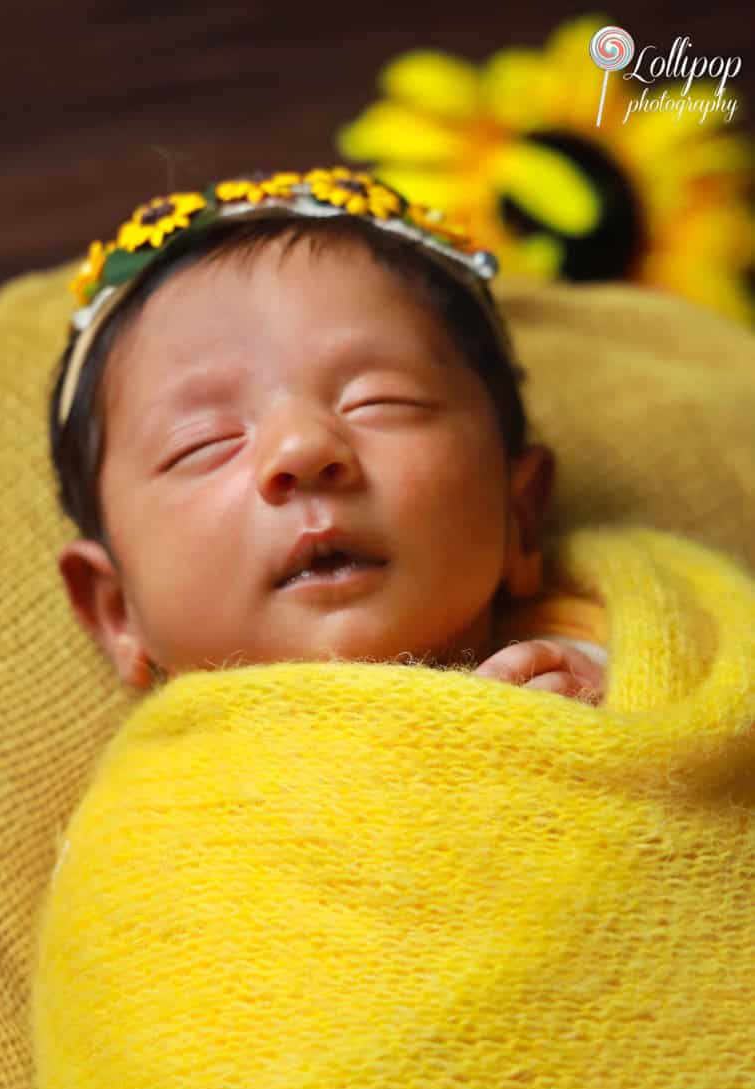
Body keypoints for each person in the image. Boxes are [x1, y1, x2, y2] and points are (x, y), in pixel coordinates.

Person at [48, 167, 607, 705]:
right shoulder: (150, 794)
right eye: (205, 440)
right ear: (117, 608)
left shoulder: (617, 643)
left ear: (522, 514)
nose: (303, 449)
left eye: (380, 400)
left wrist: (625, 704)